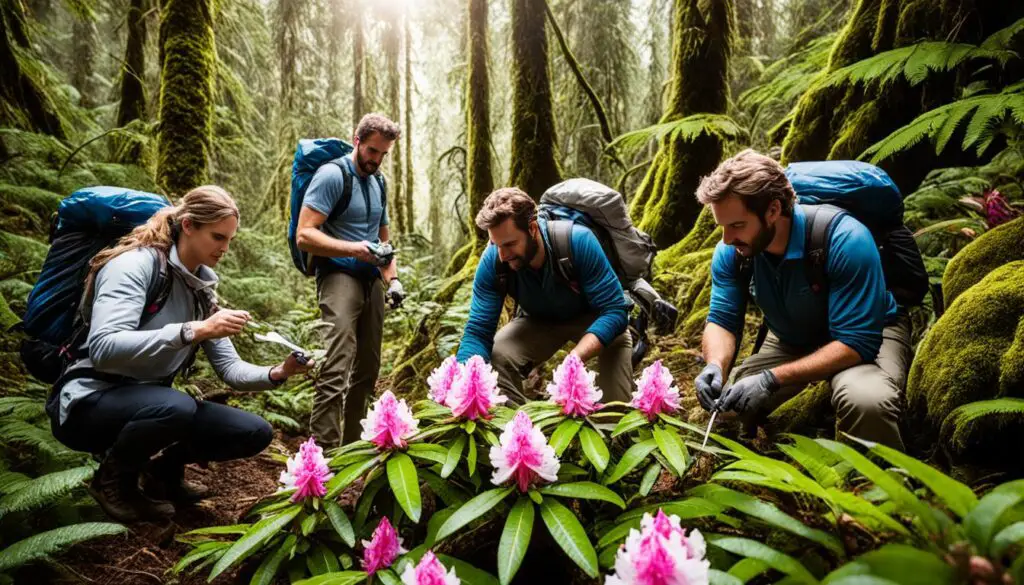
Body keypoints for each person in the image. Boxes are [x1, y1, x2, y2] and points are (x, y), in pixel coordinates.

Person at [47, 186, 314, 522]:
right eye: (218, 237)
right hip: (87, 404)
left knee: (254, 431)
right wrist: (193, 330)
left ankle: (162, 473)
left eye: (230, 239)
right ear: (188, 225)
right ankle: (113, 483)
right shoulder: (134, 266)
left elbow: (230, 369)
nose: (225, 248)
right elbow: (103, 349)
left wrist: (280, 372)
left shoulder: (200, 288)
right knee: (176, 405)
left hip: (148, 404)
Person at [692, 150, 912, 449]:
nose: (727, 239)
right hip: (793, 338)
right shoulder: (733, 251)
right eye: (723, 226)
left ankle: (882, 488)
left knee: (866, 402)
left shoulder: (845, 237)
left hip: (867, 334)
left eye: (737, 225)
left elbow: (857, 342)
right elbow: (721, 318)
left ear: (773, 210)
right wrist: (715, 366)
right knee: (728, 407)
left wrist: (770, 379)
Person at [456, 187, 633, 403]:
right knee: (497, 356)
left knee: (614, 406)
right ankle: (523, 428)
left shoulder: (578, 241)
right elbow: (478, 331)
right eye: (496, 244)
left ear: (532, 228)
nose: (502, 255)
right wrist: (463, 381)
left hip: (596, 319)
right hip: (538, 321)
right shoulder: (493, 261)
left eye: (510, 244)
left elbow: (615, 311)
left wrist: (574, 358)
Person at [296, 113, 404, 448]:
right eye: (372, 151)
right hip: (338, 274)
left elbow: (383, 242)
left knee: (368, 368)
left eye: (383, 153)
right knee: (336, 363)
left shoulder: (379, 182)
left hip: (371, 278)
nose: (377, 159)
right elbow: (304, 235)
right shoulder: (332, 176)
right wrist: (355, 250)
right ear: (357, 141)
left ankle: (353, 448)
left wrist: (394, 280)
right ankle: (324, 455)